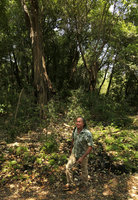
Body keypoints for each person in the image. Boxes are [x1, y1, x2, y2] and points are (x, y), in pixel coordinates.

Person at [65, 116, 93, 190]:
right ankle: (70, 184)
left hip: (83, 154)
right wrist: (71, 149)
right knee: (68, 167)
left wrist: (82, 157)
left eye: (79, 122)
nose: (77, 123)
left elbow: (90, 147)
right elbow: (73, 139)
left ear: (83, 124)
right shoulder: (75, 129)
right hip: (74, 153)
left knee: (84, 169)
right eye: (77, 121)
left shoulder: (87, 133)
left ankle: (85, 184)